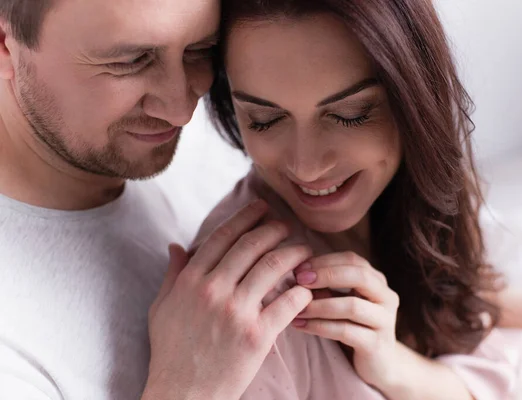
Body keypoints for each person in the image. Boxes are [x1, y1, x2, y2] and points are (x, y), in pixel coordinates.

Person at [199, 0, 522, 398]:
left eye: (351, 114)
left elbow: (467, 306)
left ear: (413, 99)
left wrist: (407, 371)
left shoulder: (405, 199)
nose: (306, 167)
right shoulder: (256, 306)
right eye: (264, 119)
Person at [0, 1, 319, 399]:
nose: (182, 110)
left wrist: (406, 372)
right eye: (131, 61)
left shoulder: (205, 153)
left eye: (199, 51)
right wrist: (188, 390)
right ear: (5, 44)